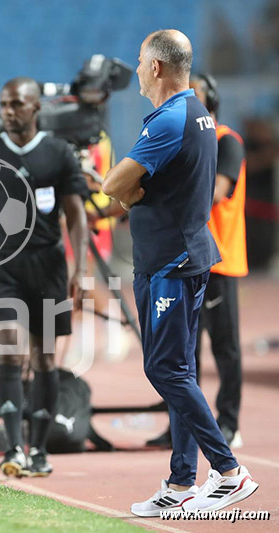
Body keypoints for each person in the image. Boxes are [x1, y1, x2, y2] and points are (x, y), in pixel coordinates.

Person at [102, 30, 258, 516]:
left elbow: (112, 184)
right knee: (181, 369)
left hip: (172, 261)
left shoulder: (171, 119)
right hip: (176, 256)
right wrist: (134, 193)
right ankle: (181, 481)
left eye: (139, 63)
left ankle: (230, 472)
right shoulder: (200, 115)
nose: (134, 72)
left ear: (156, 68)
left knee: (164, 368)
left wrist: (128, 194)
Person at [0, 77, 88, 478]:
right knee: (10, 352)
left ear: (35, 108)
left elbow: (77, 216)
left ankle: (41, 449)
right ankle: (13, 448)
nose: (8, 111)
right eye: (3, 104)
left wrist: (80, 269)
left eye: (16, 104)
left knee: (44, 358)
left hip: (48, 268)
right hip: (4, 268)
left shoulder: (59, 153)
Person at [146, 73, 248, 451]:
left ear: (213, 100)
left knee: (225, 346)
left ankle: (230, 421)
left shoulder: (227, 142)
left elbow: (218, 192)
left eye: (196, 94)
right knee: (183, 350)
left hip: (220, 259)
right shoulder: (186, 137)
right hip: (185, 258)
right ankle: (182, 425)